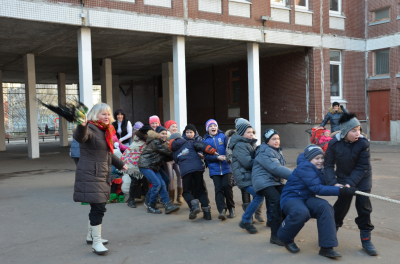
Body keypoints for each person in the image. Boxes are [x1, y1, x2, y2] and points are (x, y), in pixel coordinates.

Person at [278, 145, 356, 258]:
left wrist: (342, 184)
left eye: (322, 158)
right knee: (301, 212)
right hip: (291, 198)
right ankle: (285, 237)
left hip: (307, 197)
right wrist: (341, 191)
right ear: (309, 159)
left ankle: (327, 247)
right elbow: (317, 188)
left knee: (325, 206)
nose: (320, 161)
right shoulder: (304, 167)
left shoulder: (319, 169)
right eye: (317, 158)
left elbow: (326, 181)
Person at [73, 103, 128, 255]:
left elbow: (107, 154)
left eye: (108, 114)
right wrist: (82, 125)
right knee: (99, 207)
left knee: (96, 206)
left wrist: (121, 164)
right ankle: (96, 242)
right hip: (91, 174)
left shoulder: (105, 130)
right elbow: (80, 137)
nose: (107, 117)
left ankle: (91, 235)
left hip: (101, 174)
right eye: (103, 114)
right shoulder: (90, 128)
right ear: (95, 115)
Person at [324, 113, 377, 256]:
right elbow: (328, 165)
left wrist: (350, 184)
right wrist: (333, 183)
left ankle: (366, 239)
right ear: (345, 132)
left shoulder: (363, 143)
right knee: (341, 207)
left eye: (359, 129)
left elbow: (362, 167)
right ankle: (330, 237)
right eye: (354, 130)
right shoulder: (334, 143)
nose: (357, 133)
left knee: (364, 207)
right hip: (342, 178)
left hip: (363, 178)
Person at [251, 129, 293, 246]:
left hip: (273, 181)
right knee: (278, 201)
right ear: (267, 141)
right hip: (262, 181)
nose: (276, 141)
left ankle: (282, 227)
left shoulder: (276, 150)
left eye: (278, 138)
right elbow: (276, 168)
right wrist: (296, 176)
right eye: (273, 139)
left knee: (288, 196)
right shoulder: (264, 151)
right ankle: (274, 236)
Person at [169, 132, 217, 220]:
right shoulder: (190, 142)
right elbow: (200, 145)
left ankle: (193, 203)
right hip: (197, 168)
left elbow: (176, 161)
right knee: (201, 190)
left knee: (187, 191)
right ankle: (207, 214)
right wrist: (211, 150)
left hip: (186, 171)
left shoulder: (174, 152)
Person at [229, 118, 264, 234]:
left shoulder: (248, 144)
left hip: (249, 176)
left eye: (252, 132)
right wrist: (261, 159)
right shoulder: (240, 145)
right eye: (249, 132)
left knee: (260, 195)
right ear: (241, 133)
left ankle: (248, 219)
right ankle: (245, 220)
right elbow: (248, 163)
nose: (251, 134)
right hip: (243, 177)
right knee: (259, 196)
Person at [138, 127, 179, 214]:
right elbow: (168, 152)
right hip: (146, 165)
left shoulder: (161, 143)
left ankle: (167, 205)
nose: (164, 135)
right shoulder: (156, 142)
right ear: (157, 134)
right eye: (162, 133)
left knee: (164, 182)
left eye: (165, 134)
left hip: (154, 166)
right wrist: (181, 152)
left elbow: (166, 157)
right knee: (157, 184)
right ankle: (151, 205)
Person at [203, 119, 235, 220]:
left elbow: (229, 146)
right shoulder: (205, 141)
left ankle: (231, 208)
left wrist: (229, 152)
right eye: (210, 126)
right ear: (207, 129)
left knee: (227, 186)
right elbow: (206, 157)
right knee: (218, 189)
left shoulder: (223, 137)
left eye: (214, 125)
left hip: (226, 167)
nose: (213, 127)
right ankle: (222, 210)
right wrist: (217, 158)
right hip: (214, 169)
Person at [121, 125, 152, 208]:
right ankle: (131, 200)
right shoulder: (139, 139)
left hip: (141, 163)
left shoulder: (147, 140)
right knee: (134, 180)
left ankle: (147, 199)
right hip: (132, 163)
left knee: (145, 181)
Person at [163, 120, 183, 204]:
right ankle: (171, 196)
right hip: (168, 160)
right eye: (172, 126)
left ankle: (180, 195)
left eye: (175, 126)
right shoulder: (166, 136)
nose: (174, 128)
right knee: (170, 177)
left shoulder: (178, 135)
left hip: (176, 159)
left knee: (180, 174)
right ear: (168, 128)